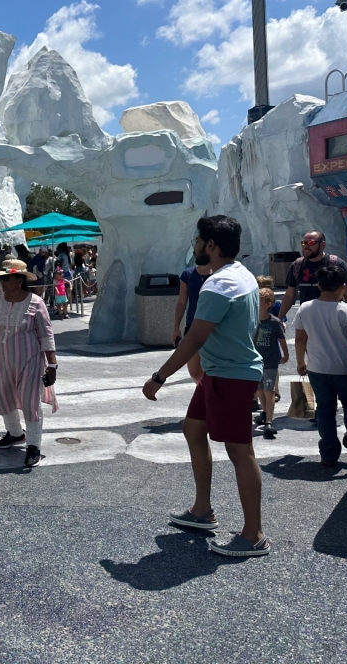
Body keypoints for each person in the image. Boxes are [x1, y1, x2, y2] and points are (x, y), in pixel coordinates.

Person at [142, 215, 269, 558]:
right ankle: (202, 510)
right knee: (193, 429)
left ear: (210, 245)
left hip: (231, 375)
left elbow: (194, 338)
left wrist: (159, 377)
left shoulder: (218, 285)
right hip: (221, 372)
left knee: (240, 452)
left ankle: (253, 534)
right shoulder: (240, 274)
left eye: (198, 241)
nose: (195, 246)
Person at [0, 258, 59, 469]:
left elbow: (46, 335)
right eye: (1, 278)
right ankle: (15, 434)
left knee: (30, 402)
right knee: (4, 399)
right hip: (2, 361)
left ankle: (33, 447)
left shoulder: (35, 303)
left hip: (29, 361)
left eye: (7, 278)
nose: (3, 282)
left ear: (20, 280)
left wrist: (52, 365)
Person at [294, 266, 347, 465]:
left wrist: (300, 362)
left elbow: (299, 338)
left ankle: (329, 452)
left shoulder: (305, 308)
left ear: (319, 285)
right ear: (343, 287)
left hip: (317, 368)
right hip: (345, 368)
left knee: (325, 409)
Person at [277, 230, 347, 320]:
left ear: (322, 245)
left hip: (332, 319)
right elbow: (289, 295)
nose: (306, 246)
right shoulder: (297, 265)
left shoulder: (336, 264)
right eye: (303, 243)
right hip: (306, 318)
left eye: (311, 243)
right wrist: (279, 319)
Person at [253, 287, 288, 439]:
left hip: (270, 362)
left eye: (258, 301)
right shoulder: (252, 320)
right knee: (259, 389)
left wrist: (286, 354)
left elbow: (282, 340)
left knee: (269, 391)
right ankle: (265, 412)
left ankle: (268, 422)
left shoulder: (274, 322)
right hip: (255, 362)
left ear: (268, 304)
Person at [172, 262, 211, 382]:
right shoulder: (187, 274)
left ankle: (210, 397)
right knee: (194, 371)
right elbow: (181, 302)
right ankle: (205, 394)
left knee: (214, 368)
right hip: (192, 326)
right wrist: (176, 327)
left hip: (213, 326)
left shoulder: (219, 274)